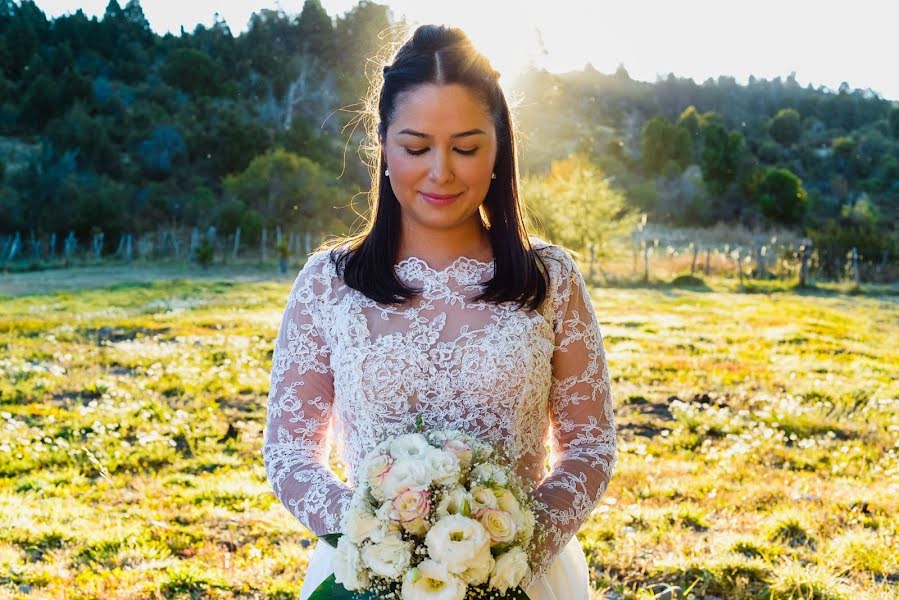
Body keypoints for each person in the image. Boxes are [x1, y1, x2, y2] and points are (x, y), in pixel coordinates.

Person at [263, 24, 618, 600]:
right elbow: (289, 452)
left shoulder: (551, 280)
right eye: (416, 146)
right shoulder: (329, 284)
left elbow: (589, 448)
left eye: (466, 147)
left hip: (518, 578)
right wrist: (380, 544)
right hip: (366, 576)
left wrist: (504, 555)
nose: (441, 172)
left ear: (499, 148)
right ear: (382, 146)